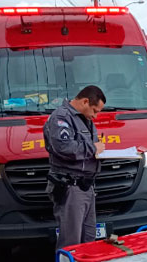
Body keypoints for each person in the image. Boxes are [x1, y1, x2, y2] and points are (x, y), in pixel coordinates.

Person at [43, 85, 106, 250]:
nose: (96, 115)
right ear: (85, 101)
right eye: (95, 110)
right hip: (71, 187)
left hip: (86, 186)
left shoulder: (85, 119)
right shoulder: (61, 117)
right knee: (71, 241)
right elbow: (64, 147)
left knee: (89, 237)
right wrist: (94, 149)